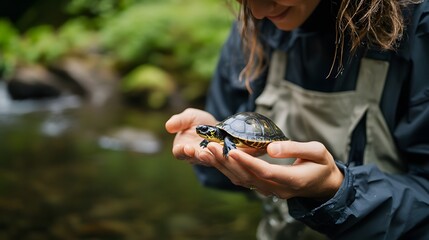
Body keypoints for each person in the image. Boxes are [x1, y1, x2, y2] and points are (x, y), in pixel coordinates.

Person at [165, 0, 429, 239]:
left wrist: (338, 193)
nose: (257, 12)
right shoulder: (254, 28)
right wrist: (213, 157)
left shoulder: (419, 27)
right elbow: (231, 176)